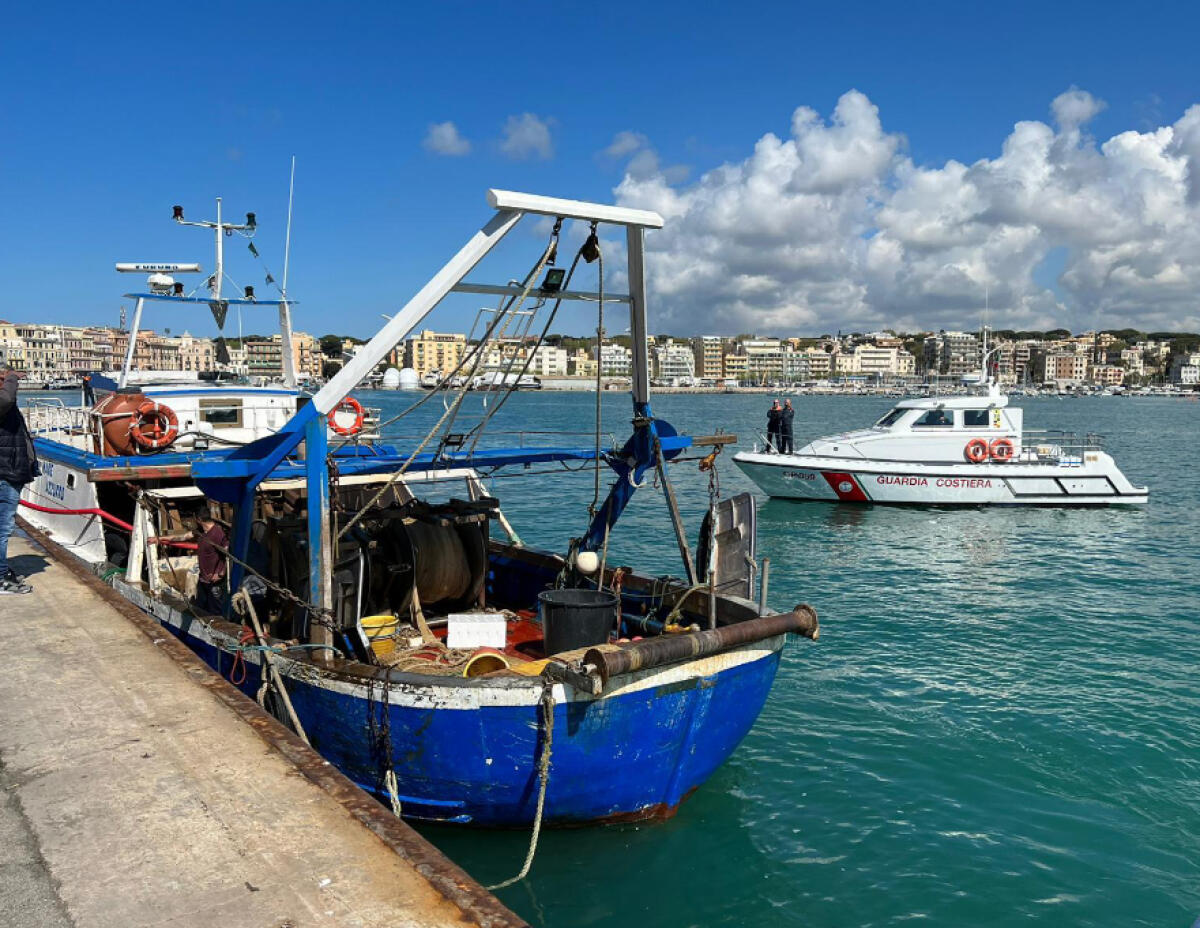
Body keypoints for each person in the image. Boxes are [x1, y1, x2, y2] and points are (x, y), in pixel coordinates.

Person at [0, 364, 39, 594]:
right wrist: (12, 378)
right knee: (3, 528)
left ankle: (2, 569)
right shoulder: (4, 401)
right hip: (6, 472)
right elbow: (5, 400)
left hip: (9, 470)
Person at [194, 511, 229, 614]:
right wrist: (159, 539)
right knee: (201, 609)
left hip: (215, 582)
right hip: (203, 580)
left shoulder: (218, 533)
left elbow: (228, 554)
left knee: (215, 610)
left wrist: (221, 573)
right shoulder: (201, 532)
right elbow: (184, 537)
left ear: (199, 520)